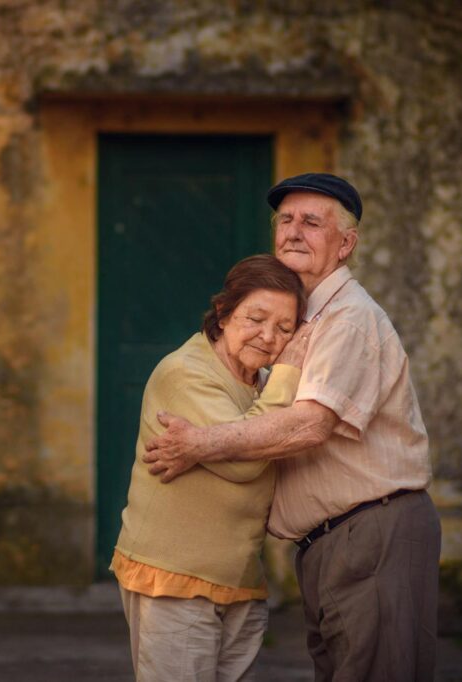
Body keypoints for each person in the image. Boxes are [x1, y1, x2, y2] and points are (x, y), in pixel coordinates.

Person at [143, 173, 441, 682]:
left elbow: (308, 426)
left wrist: (198, 443)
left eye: (312, 222)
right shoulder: (303, 318)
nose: (293, 232)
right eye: (285, 221)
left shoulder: (346, 320)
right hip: (335, 542)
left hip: (371, 533)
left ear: (346, 244)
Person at [113, 254, 309, 682]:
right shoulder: (185, 374)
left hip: (237, 577)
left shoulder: (259, 384)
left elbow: (259, 438)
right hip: (176, 577)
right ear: (223, 313)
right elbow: (246, 461)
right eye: (255, 318)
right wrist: (291, 369)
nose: (267, 336)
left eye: (285, 329)